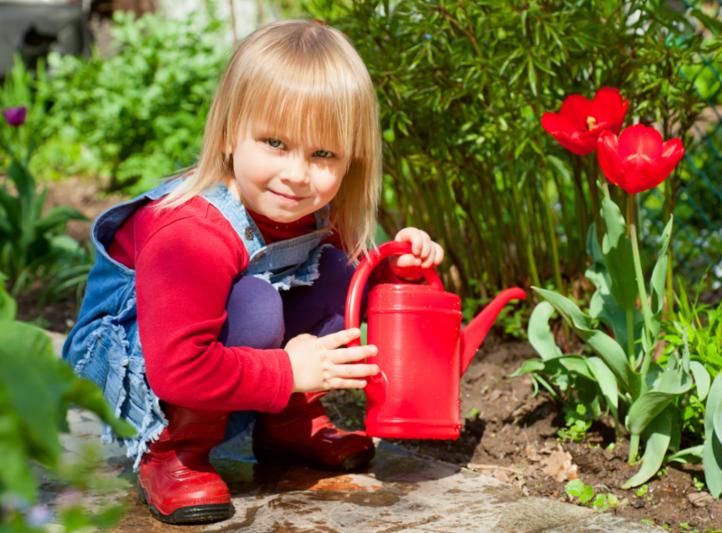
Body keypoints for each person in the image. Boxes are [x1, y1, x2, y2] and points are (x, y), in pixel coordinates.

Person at [62, 19, 445, 525]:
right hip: (147, 372)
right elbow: (178, 369)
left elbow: (352, 290)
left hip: (209, 365)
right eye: (275, 143)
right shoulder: (190, 233)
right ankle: (175, 452)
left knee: (339, 268)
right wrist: (289, 371)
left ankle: (287, 422)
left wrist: (398, 268)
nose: (296, 174)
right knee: (257, 303)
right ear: (228, 134)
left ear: (351, 159)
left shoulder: (307, 212)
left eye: (323, 153)